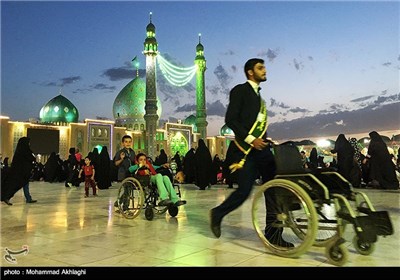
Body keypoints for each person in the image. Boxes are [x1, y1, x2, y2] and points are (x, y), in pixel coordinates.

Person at [209, 58, 293, 247]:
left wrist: (262, 140)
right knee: (244, 191)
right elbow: (231, 119)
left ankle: (274, 233)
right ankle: (217, 213)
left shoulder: (260, 99)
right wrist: (251, 139)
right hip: (244, 150)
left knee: (274, 187)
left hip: (261, 149)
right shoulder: (240, 91)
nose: (264, 71)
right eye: (260, 68)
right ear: (250, 72)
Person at [1, 137, 37, 205]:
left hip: (22, 173)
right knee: (16, 185)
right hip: (21, 173)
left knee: (23, 184)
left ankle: (28, 198)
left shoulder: (19, 152)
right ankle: (7, 196)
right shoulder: (25, 151)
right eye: (28, 142)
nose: (29, 144)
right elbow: (31, 158)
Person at [113, 135, 136, 209]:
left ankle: (119, 201)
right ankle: (125, 207)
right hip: (123, 174)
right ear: (123, 143)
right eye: (126, 142)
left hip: (130, 174)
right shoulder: (120, 152)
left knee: (128, 190)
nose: (128, 143)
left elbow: (134, 162)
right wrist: (122, 159)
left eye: (129, 142)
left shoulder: (132, 152)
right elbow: (116, 163)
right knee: (127, 189)